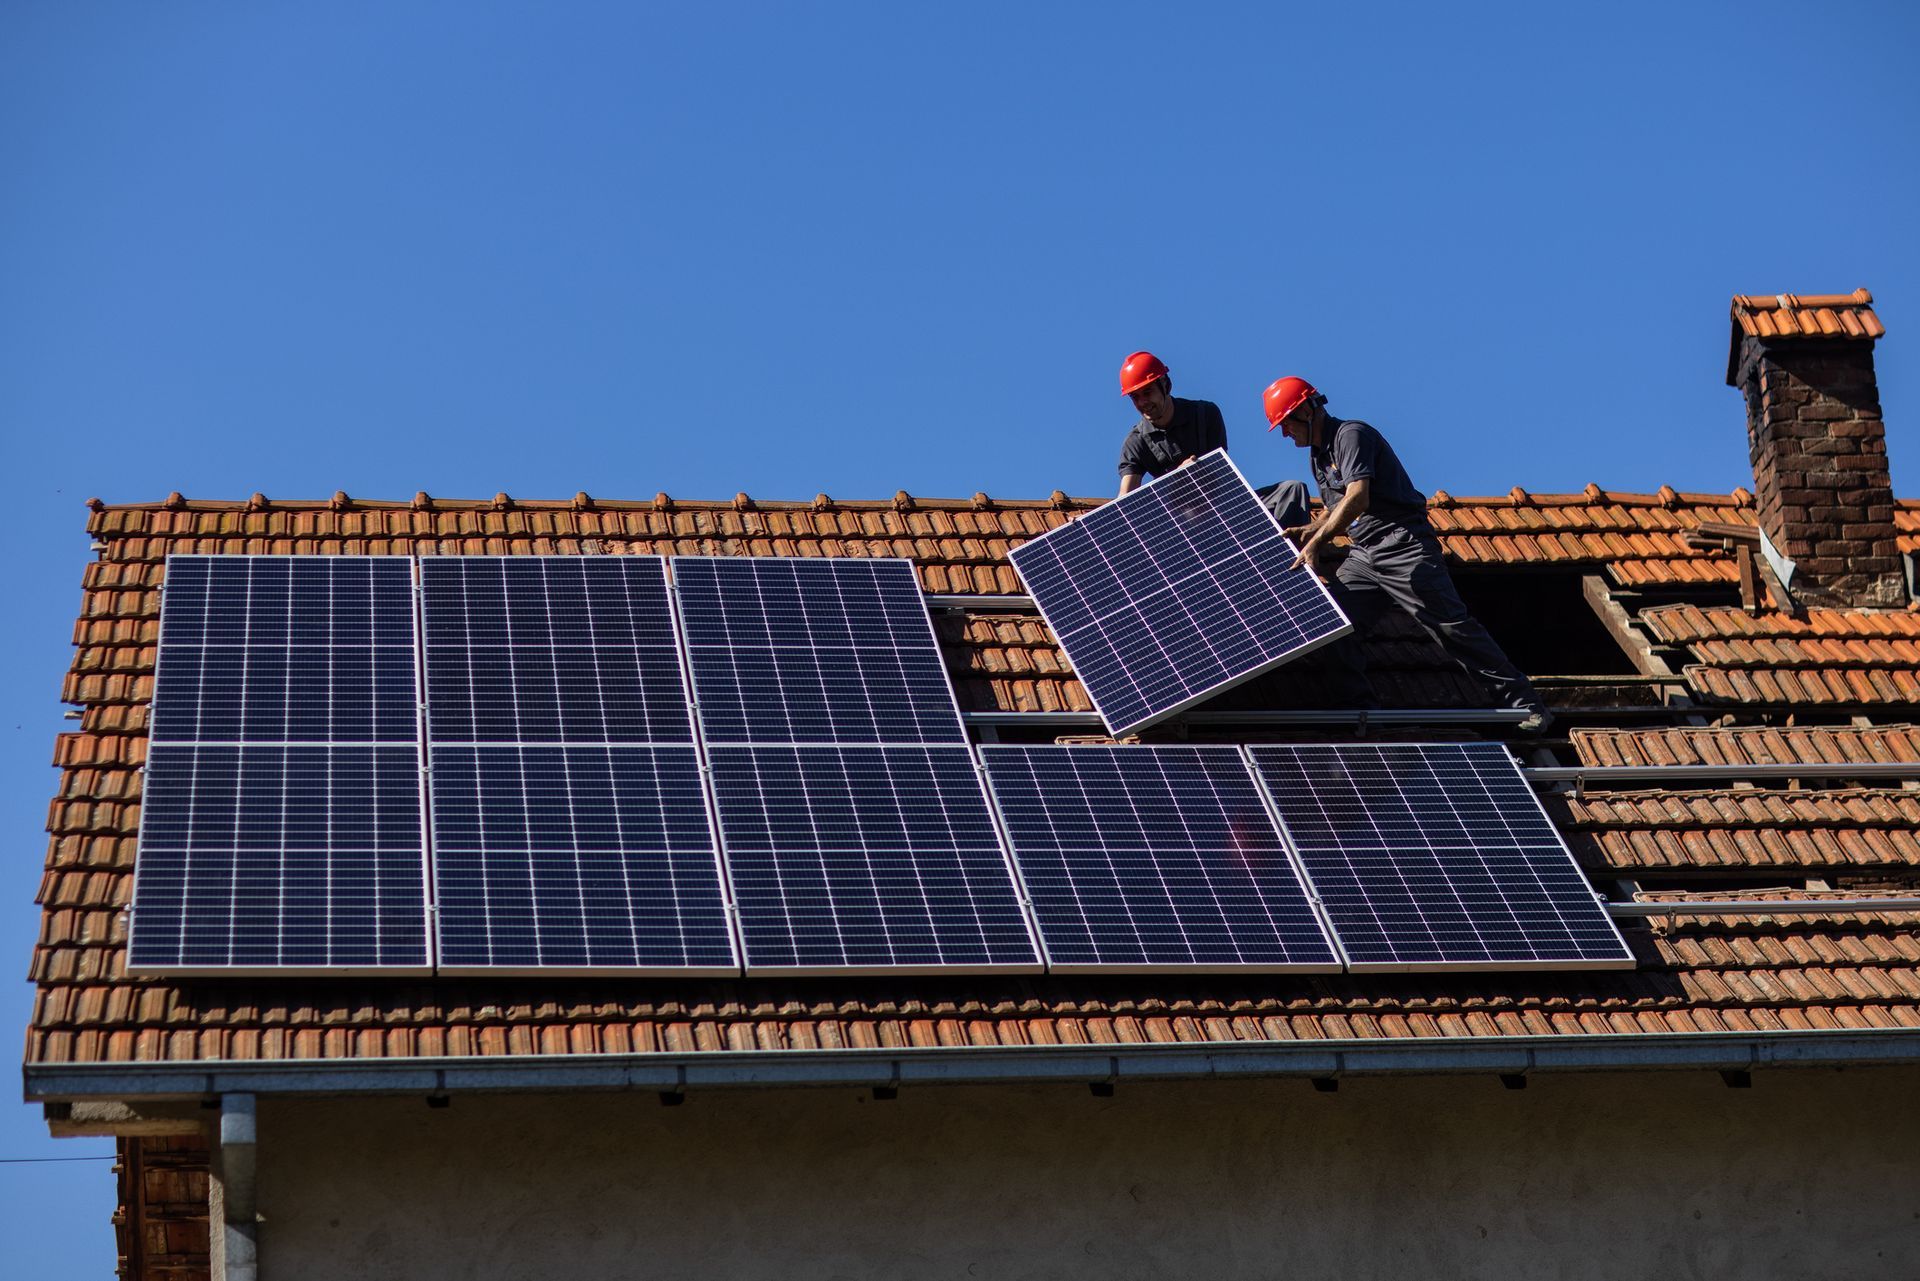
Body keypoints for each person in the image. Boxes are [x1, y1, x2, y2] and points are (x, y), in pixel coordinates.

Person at [1260, 376, 1553, 734]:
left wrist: (1318, 541)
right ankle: (1359, 714)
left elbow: (1358, 498)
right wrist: (1311, 529)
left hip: (1402, 546)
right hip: (1364, 555)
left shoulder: (1351, 435)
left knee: (1450, 628)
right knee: (1335, 624)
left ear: (1307, 410)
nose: (1285, 433)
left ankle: (1525, 704)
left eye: (1286, 422)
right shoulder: (1319, 457)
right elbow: (1339, 509)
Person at [1114, 351, 1228, 496]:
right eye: (1135, 397)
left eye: (1147, 392)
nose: (1142, 402)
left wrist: (1190, 473)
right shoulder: (1136, 442)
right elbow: (1125, 499)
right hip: (1174, 508)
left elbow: (1220, 471)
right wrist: (1177, 478)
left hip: (1217, 500)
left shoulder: (1205, 414)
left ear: (1166, 385)